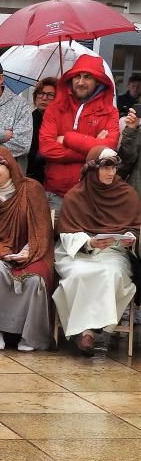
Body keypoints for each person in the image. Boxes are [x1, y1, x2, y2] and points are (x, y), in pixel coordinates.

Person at [53, 146, 141, 356]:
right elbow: (66, 233)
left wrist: (130, 239)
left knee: (112, 274)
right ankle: (88, 332)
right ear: (93, 169)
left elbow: (136, 228)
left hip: (114, 252)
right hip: (78, 251)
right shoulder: (76, 195)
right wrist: (90, 243)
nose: (111, 173)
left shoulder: (127, 194)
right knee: (78, 275)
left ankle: (87, 333)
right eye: (106, 168)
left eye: (114, 168)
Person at [0, 146, 55, 352]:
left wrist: (28, 251)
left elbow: (42, 228)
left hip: (33, 251)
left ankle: (29, 335)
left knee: (34, 280)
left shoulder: (31, 189)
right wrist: (2, 252)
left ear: (10, 166)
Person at [39, 55, 119, 213]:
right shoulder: (54, 109)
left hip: (92, 196)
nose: (80, 82)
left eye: (88, 77)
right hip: (55, 195)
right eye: (77, 76)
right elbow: (46, 148)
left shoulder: (110, 112)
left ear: (99, 81)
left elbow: (108, 150)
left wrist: (68, 138)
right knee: (50, 237)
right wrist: (93, 148)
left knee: (88, 239)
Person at [26, 76, 57, 184]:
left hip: (51, 178)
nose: (44, 98)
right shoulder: (27, 119)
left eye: (50, 95)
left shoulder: (61, 123)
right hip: (28, 176)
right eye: (40, 93)